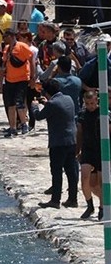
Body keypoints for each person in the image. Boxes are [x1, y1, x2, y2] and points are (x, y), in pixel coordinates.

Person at [31, 79, 79, 209]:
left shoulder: (52, 104)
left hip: (58, 142)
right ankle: (73, 199)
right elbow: (58, 108)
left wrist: (35, 106)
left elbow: (38, 116)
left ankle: (55, 200)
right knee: (71, 171)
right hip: (72, 140)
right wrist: (47, 103)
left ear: (46, 92)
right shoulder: (68, 98)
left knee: (56, 171)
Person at [1, 29, 36, 137]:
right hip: (9, 79)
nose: (4, 39)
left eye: (5, 37)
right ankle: (13, 127)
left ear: (11, 36)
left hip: (22, 79)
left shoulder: (22, 46)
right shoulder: (7, 49)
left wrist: (32, 77)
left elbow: (31, 60)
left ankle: (24, 124)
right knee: (10, 104)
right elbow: (5, 63)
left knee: (20, 102)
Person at [75, 90, 104, 220]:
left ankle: (102, 208)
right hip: (87, 149)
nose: (90, 106)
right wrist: (77, 150)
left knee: (100, 183)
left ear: (97, 101)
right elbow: (79, 133)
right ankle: (89, 205)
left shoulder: (103, 113)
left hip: (101, 150)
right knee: (84, 178)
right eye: (87, 103)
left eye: (92, 103)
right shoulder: (82, 115)